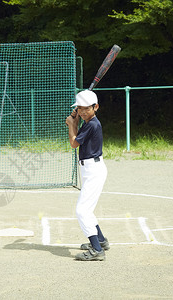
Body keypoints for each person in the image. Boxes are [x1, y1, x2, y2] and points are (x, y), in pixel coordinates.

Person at [65, 90, 109, 261]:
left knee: (82, 210)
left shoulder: (92, 124)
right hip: (90, 169)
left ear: (95, 107)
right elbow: (77, 138)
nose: (82, 112)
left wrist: (71, 124)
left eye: (86, 109)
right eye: (79, 109)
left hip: (94, 170)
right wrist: (74, 122)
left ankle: (97, 250)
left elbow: (73, 143)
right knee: (87, 209)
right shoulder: (88, 121)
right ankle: (101, 241)